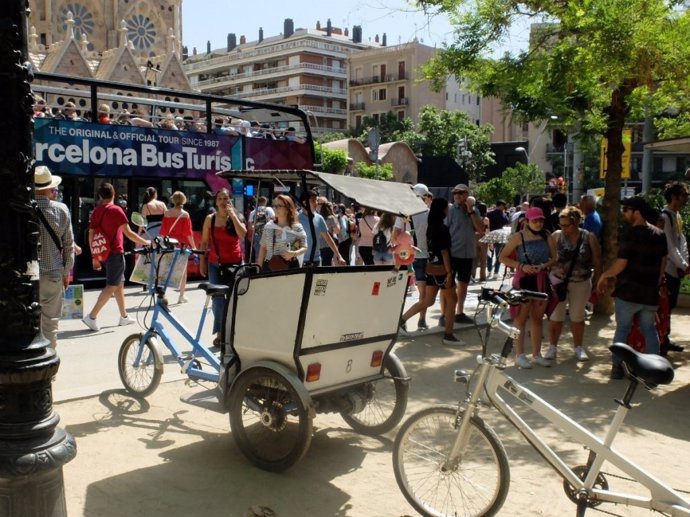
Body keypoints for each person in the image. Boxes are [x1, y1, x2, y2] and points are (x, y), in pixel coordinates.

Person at [596, 196, 668, 380]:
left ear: (636, 212)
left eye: (626, 209)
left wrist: (604, 275)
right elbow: (663, 261)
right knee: (649, 329)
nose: (624, 213)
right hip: (650, 292)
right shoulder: (660, 234)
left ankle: (617, 367)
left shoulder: (630, 235)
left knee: (622, 329)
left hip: (628, 292)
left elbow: (620, 264)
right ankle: (655, 369)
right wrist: (657, 279)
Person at [82, 183, 150, 331]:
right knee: (112, 285)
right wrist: (146, 242)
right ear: (113, 194)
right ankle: (92, 316)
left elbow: (91, 235)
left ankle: (124, 317)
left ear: (100, 196)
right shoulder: (116, 210)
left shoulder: (96, 212)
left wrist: (95, 256)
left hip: (103, 253)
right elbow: (129, 233)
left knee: (119, 284)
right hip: (115, 252)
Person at [500, 207, 557, 368]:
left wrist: (544, 265)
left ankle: (537, 354)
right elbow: (502, 257)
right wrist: (521, 266)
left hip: (541, 280)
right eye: (535, 220)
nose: (538, 223)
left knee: (538, 318)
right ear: (527, 221)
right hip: (524, 281)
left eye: (541, 220)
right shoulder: (518, 237)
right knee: (520, 318)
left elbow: (555, 258)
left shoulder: (547, 235)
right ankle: (519, 354)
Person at [400, 198, 461, 345]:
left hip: (431, 267)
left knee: (428, 300)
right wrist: (449, 272)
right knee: (452, 300)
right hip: (442, 268)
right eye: (446, 208)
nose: (448, 210)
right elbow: (444, 251)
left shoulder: (431, 227)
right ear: (443, 210)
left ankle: (401, 321)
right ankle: (448, 334)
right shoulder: (442, 228)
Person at [546, 206, 601, 362]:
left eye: (566, 225)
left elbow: (597, 260)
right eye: (561, 225)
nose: (563, 228)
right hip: (557, 282)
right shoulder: (556, 236)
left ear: (576, 222)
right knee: (556, 316)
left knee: (578, 316)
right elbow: (548, 258)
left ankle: (578, 347)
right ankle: (552, 347)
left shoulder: (589, 237)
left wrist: (598, 281)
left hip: (581, 282)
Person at [199, 189, 247, 346]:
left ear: (230, 200)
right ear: (215, 201)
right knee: (218, 300)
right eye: (219, 198)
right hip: (216, 264)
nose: (222, 202)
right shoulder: (210, 219)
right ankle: (220, 333)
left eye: (226, 198)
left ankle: (234, 331)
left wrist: (233, 215)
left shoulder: (236, 216)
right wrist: (202, 262)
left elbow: (243, 234)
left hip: (235, 264)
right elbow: (204, 242)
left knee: (235, 299)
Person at [34, 166, 75, 347]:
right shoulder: (61, 210)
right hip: (53, 274)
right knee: (50, 324)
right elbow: (69, 246)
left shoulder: (23, 210)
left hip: (28, 276)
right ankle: (48, 364)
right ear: (50, 188)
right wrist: (66, 273)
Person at [394, 183, 433, 329]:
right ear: (425, 197)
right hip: (425, 256)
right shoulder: (429, 213)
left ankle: (402, 320)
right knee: (424, 294)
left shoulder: (404, 214)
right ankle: (421, 320)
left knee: (403, 291)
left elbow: (395, 235)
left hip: (407, 257)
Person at [445, 184, 484, 326]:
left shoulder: (475, 211)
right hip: (453, 252)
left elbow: (480, 230)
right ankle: (445, 314)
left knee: (464, 284)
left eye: (461, 193)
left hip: (468, 253)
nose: (457, 195)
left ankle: (459, 312)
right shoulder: (450, 210)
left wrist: (471, 211)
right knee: (448, 285)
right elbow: (445, 230)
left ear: (467, 195)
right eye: (455, 193)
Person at [659, 182, 689, 355]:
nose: (686, 198)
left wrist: (684, 262)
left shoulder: (676, 215)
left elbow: (681, 240)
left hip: (676, 269)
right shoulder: (665, 216)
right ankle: (662, 341)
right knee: (665, 307)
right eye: (684, 195)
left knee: (670, 306)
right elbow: (669, 245)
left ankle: (665, 338)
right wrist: (683, 265)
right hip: (668, 270)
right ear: (674, 196)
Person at [160, 191, 196, 304]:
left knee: (166, 270)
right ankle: (181, 296)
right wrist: (194, 246)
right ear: (184, 200)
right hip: (181, 246)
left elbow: (163, 232)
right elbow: (188, 234)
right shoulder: (185, 215)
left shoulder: (166, 213)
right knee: (183, 271)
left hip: (169, 245)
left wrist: (160, 243)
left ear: (173, 200)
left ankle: (163, 294)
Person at [258, 194, 307, 270]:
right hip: (270, 267)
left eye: (279, 206)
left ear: (288, 209)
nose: (275, 208)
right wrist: (259, 269)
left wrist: (293, 253)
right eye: (274, 206)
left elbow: (304, 247)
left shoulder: (297, 227)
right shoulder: (269, 226)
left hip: (291, 267)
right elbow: (263, 248)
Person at [298, 190, 345, 266]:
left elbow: (328, 238)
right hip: (300, 261)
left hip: (316, 260)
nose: (316, 203)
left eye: (316, 200)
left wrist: (338, 255)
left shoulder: (319, 218)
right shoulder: (296, 219)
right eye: (313, 201)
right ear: (304, 203)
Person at [486, 200, 509, 280]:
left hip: (491, 235)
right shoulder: (502, 214)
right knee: (499, 254)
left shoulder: (489, 214)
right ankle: (496, 272)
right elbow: (507, 221)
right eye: (504, 206)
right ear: (501, 206)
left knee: (490, 254)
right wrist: (504, 214)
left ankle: (489, 271)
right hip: (500, 235)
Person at [248, 196, 275, 262]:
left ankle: (259, 270)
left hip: (257, 236)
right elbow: (275, 221)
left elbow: (250, 227)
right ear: (265, 202)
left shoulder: (253, 212)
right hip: (268, 235)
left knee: (258, 255)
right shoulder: (269, 210)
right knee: (269, 255)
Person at [318, 199, 341, 266]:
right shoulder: (331, 218)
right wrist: (336, 220)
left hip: (319, 244)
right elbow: (337, 230)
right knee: (327, 263)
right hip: (328, 244)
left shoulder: (319, 217)